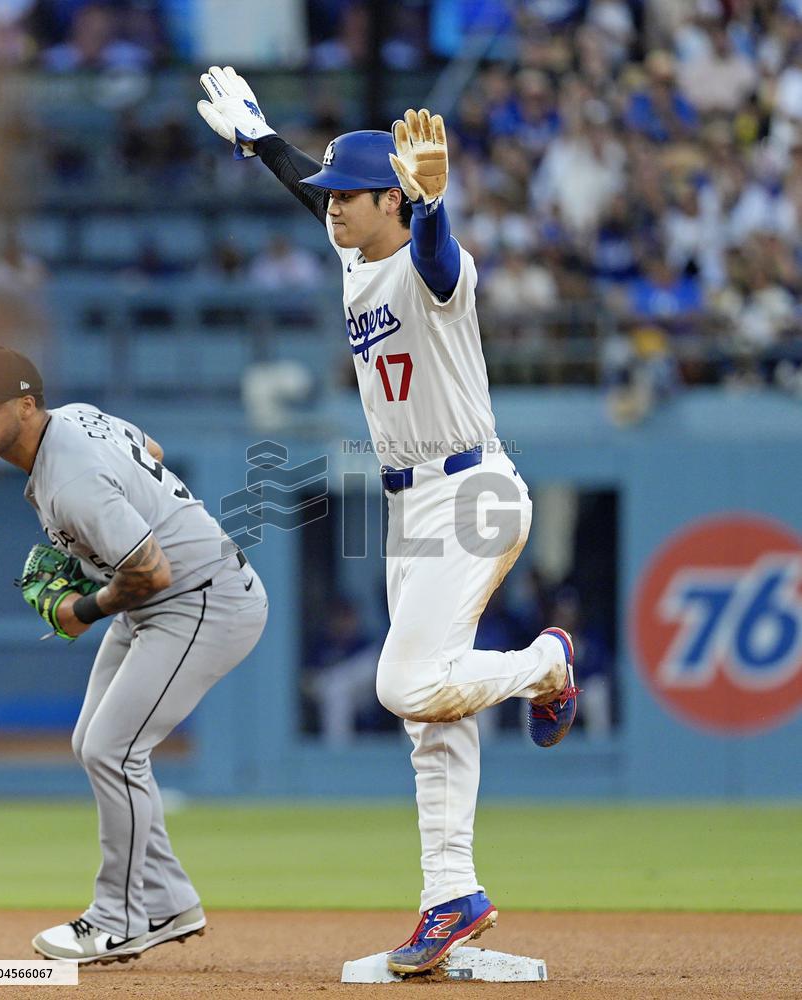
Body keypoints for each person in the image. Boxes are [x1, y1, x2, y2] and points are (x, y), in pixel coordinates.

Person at [197, 67, 580, 976]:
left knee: (405, 682)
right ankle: (449, 898)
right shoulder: (358, 251)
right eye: (329, 198)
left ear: (392, 202)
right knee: (429, 720)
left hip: (474, 490)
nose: (331, 211)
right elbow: (312, 192)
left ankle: (547, 664)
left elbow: (438, 260)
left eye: (350, 199)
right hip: (411, 505)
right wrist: (260, 142)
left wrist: (432, 204)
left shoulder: (427, 263)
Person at [0, 347, 268, 965]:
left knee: (113, 749)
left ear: (25, 406)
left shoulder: (71, 480)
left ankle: (117, 920)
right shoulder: (76, 418)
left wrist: (82, 609)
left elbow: (151, 571)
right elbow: (149, 450)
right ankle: (168, 899)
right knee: (91, 745)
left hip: (201, 599)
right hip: (167, 600)